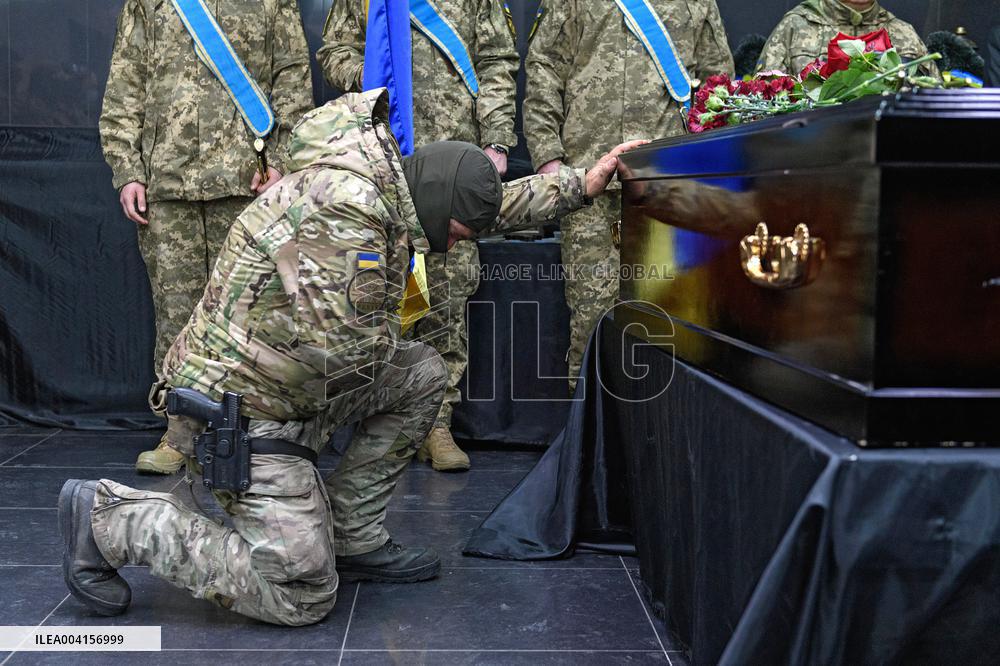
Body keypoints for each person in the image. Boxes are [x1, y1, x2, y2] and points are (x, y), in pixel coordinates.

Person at [59, 89, 643, 626]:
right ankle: (111, 519)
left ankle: (351, 536)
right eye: (459, 234)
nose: (459, 243)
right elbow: (340, 352)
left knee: (420, 374)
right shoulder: (351, 211)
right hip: (241, 410)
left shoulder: (388, 183)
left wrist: (580, 184)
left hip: (291, 382)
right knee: (301, 593)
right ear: (438, 205)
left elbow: (486, 205)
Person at [100, 0, 314, 475]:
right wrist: (128, 171)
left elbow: (294, 82)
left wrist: (280, 161)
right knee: (177, 317)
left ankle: (252, 432)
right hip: (168, 184)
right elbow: (125, 86)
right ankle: (179, 433)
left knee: (252, 318)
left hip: (247, 185)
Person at [318, 0, 519, 471]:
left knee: (446, 297)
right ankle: (373, 421)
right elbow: (333, 52)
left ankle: (437, 422)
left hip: (453, 165)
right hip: (382, 159)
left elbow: (495, 60)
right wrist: (375, 74)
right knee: (375, 294)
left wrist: (495, 139)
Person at [524, 0, 733, 392]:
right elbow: (543, 68)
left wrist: (705, 167)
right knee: (591, 324)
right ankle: (589, 446)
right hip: (587, 183)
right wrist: (548, 158)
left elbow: (717, 84)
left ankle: (659, 445)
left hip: (668, 186)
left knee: (671, 323)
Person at [758, 0, 936, 76]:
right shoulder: (795, 27)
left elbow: (934, 103)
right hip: (811, 147)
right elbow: (762, 105)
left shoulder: (902, 32)